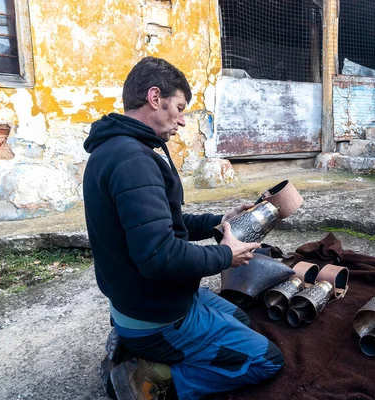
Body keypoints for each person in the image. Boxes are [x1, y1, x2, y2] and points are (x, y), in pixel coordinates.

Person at [82, 56, 284, 400]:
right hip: (156, 315)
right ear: (155, 97)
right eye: (179, 107)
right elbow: (160, 256)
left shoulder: (114, 149)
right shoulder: (134, 161)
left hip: (137, 302)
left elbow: (163, 225)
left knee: (240, 318)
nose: (183, 122)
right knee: (267, 360)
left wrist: (218, 223)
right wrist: (225, 256)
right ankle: (150, 379)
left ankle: (133, 344)